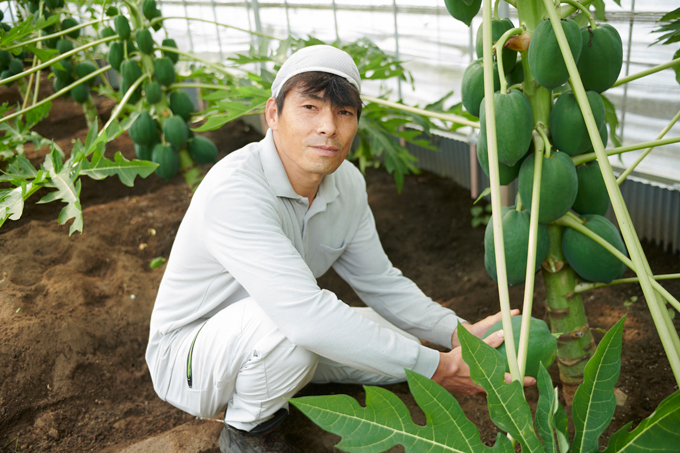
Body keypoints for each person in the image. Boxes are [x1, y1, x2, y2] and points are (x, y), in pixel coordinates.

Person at [145, 45, 533, 453]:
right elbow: (304, 318)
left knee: (390, 336)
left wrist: (457, 335)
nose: (328, 126)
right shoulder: (236, 190)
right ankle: (248, 432)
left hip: (272, 332)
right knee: (298, 330)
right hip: (191, 359)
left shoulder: (346, 183)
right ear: (273, 114)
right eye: (310, 107)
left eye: (344, 113)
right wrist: (438, 370)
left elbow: (381, 281)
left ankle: (286, 374)